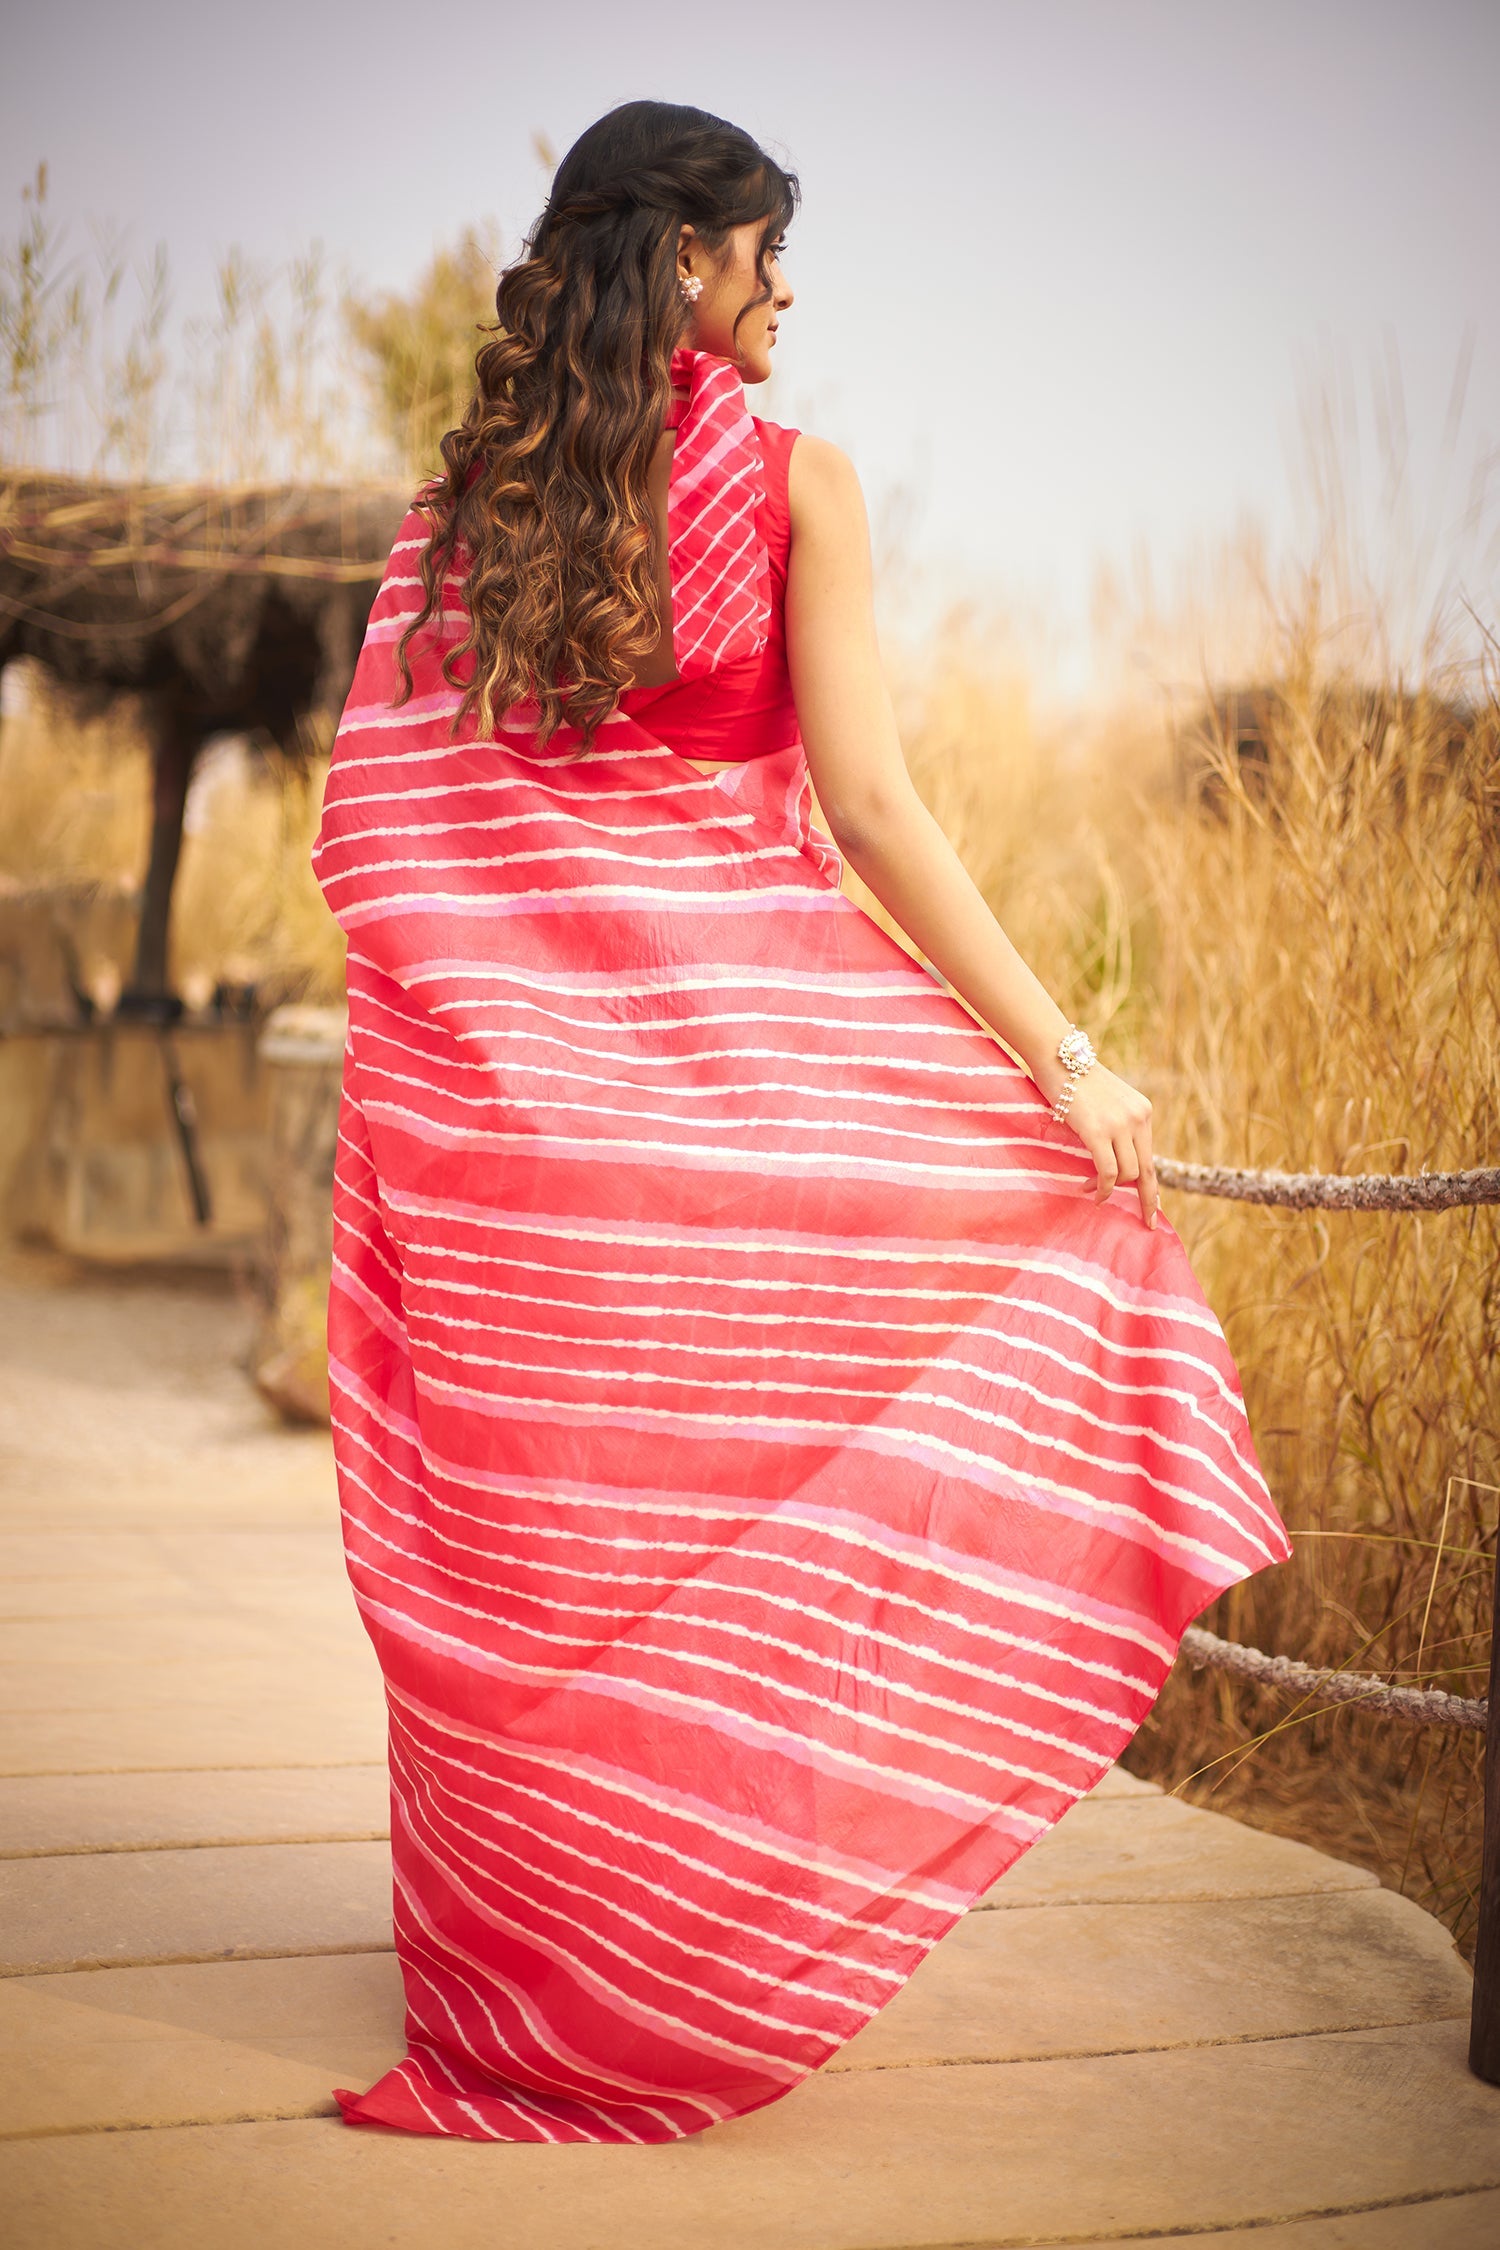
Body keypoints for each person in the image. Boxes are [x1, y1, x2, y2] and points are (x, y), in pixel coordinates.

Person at [312, 98, 1290, 2144]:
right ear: (687, 259)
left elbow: (397, 828)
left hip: (512, 1152)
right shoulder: (802, 486)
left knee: (542, 1556)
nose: (783, 291)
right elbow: (865, 813)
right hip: (716, 1124)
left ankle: (523, 1975)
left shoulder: (464, 502)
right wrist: (1061, 1060)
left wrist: (475, 1084)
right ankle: (678, 1955)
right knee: (705, 1530)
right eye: (767, 250)